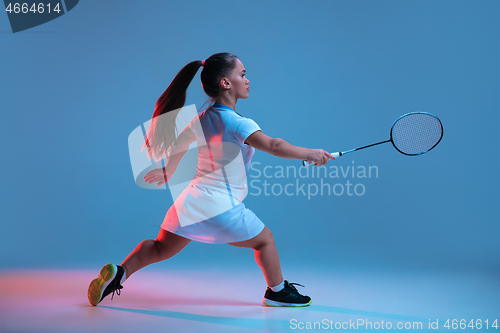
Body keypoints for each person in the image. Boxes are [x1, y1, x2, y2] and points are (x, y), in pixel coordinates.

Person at [87, 52, 334, 307]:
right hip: (220, 206)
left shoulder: (201, 118)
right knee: (265, 240)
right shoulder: (239, 123)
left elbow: (181, 143)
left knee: (160, 247)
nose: (248, 80)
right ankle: (277, 291)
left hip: (190, 202)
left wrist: (168, 171)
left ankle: (119, 273)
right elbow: (274, 146)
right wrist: (311, 153)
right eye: (242, 74)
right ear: (226, 83)